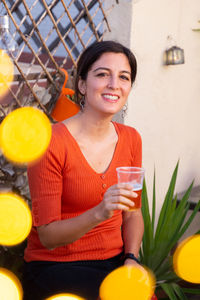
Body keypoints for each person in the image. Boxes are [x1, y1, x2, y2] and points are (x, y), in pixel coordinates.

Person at [22, 40, 144, 300]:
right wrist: (101, 212)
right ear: (82, 84)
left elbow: (133, 214)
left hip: (114, 262)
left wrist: (132, 257)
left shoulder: (131, 138)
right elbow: (49, 236)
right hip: (55, 265)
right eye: (102, 74)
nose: (114, 84)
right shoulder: (49, 143)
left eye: (124, 77)